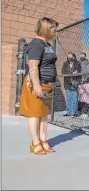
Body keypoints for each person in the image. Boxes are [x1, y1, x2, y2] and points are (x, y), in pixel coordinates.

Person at [19, 17, 59, 155]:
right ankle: (35, 142)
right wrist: (36, 86)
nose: (56, 31)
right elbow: (33, 66)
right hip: (37, 84)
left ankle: (43, 140)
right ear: (45, 28)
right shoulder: (36, 44)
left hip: (48, 85)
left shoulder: (47, 45)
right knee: (35, 114)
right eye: (53, 28)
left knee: (43, 115)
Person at [62, 52, 81, 117]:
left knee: (74, 98)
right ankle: (69, 112)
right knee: (68, 98)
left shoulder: (77, 64)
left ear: (74, 57)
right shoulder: (65, 63)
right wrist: (72, 72)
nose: (69, 58)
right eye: (68, 56)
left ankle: (75, 112)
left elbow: (79, 72)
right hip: (67, 83)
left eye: (70, 56)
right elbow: (63, 72)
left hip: (74, 83)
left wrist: (74, 73)